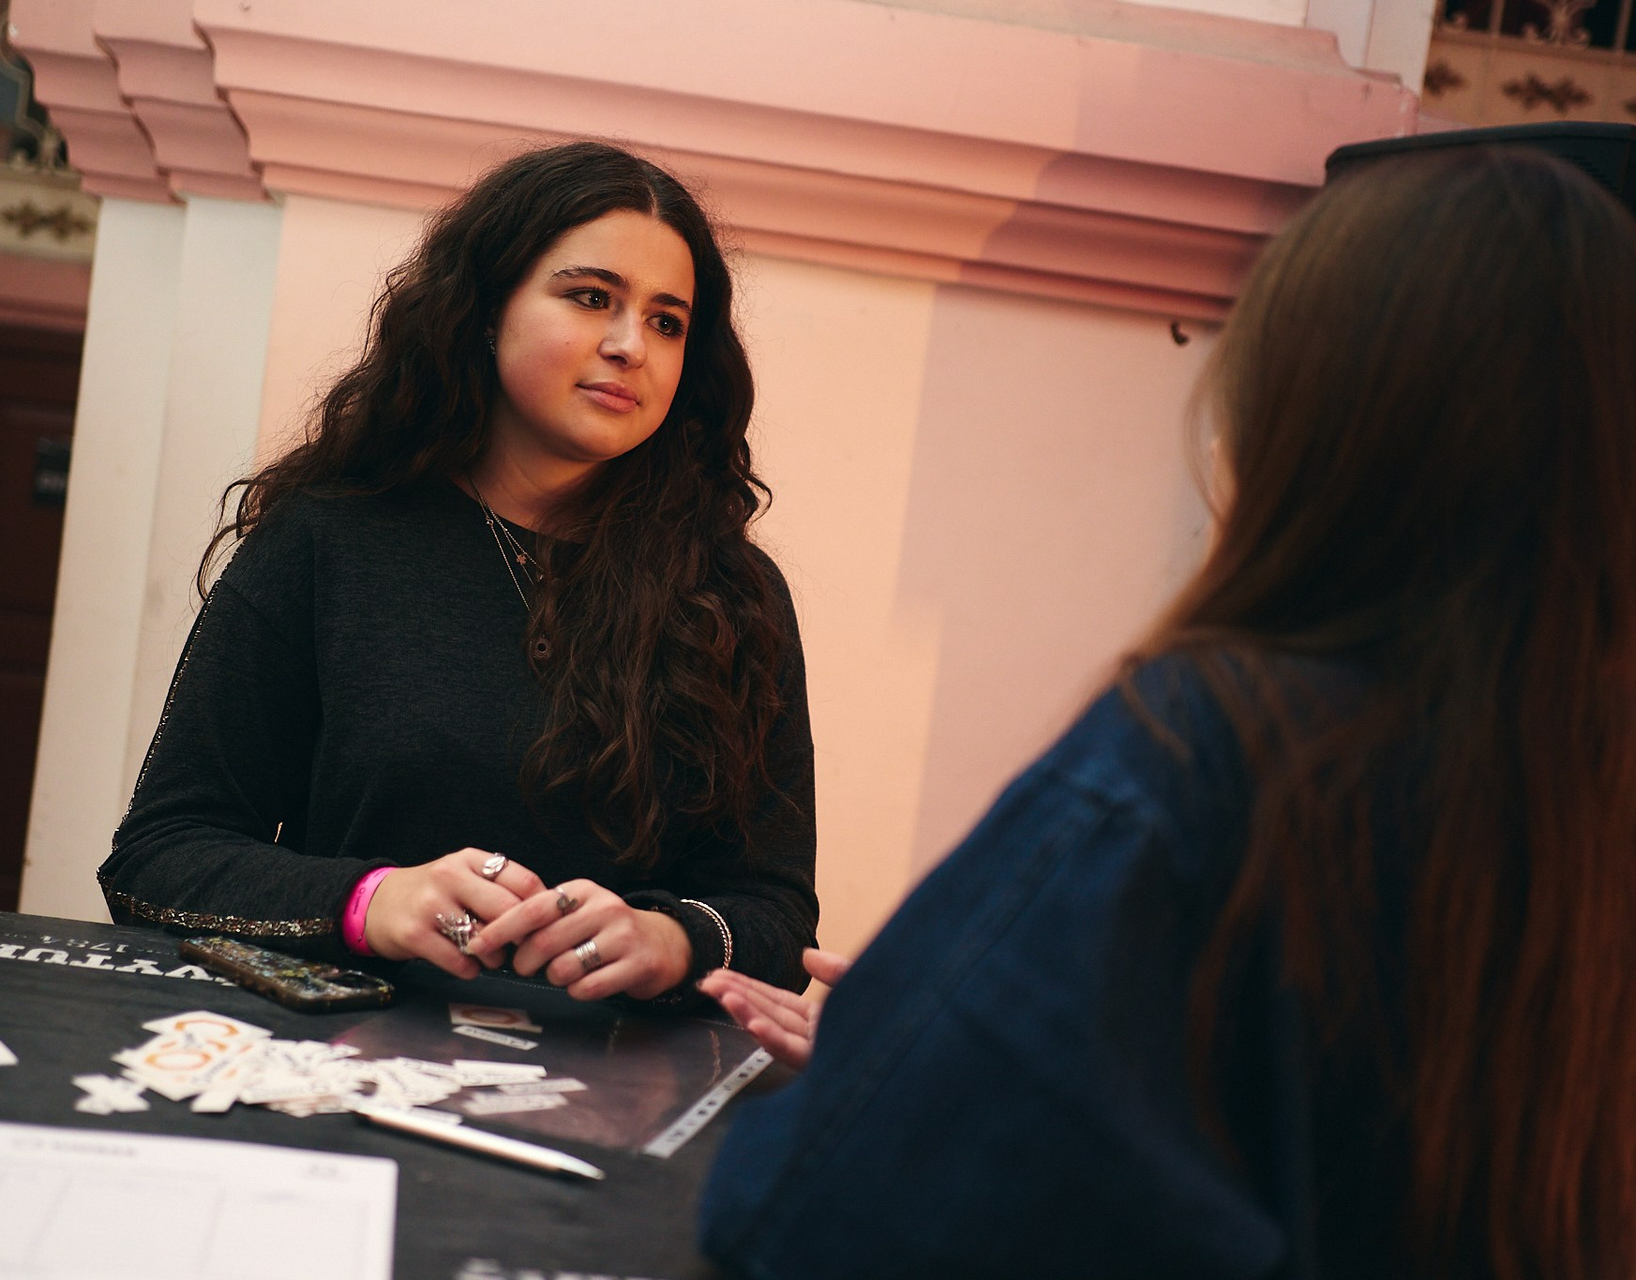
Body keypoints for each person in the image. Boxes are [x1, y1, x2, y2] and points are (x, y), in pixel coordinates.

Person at [697, 146, 1636, 1279]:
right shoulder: (1574, 779)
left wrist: (907, 1061)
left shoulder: (1214, 744)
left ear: (1314, 423)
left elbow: (819, 1212)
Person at [100, 141, 816, 1003]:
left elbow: (776, 913)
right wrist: (371, 902)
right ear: (485, 308)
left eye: (668, 322)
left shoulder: (734, 595)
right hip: (340, 1053)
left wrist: (672, 938)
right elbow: (159, 859)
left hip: (613, 1069)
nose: (631, 345)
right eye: (592, 297)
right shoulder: (328, 540)